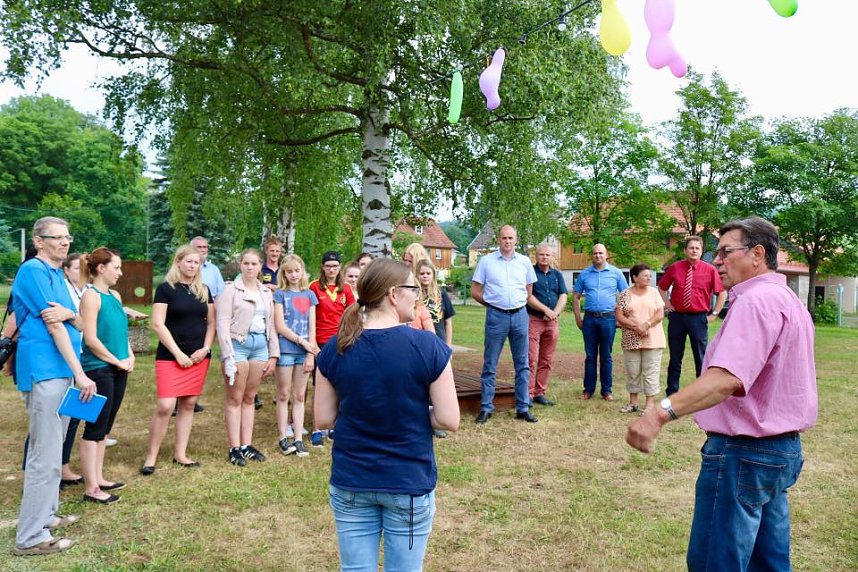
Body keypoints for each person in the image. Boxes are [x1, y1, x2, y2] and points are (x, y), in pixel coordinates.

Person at [626, 216, 817, 571]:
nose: (716, 260)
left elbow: (726, 379)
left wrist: (658, 413)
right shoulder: (788, 300)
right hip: (780, 453)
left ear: (757, 254)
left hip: (743, 455)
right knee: (770, 564)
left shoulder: (755, 301)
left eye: (726, 251)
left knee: (716, 562)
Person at [314, 258, 459, 571]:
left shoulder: (336, 347)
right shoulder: (427, 346)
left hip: (353, 479)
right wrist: (416, 412)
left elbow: (323, 420)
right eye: (414, 289)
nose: (417, 296)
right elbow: (448, 419)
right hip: (407, 482)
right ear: (394, 294)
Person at [11, 216, 96, 556]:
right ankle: (30, 538)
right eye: (56, 237)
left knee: (55, 449)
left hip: (62, 370)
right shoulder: (33, 271)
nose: (65, 243)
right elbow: (56, 326)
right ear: (38, 241)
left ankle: (46, 516)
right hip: (47, 371)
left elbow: (75, 320)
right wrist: (81, 374)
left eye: (67, 237)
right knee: (44, 456)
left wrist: (69, 315)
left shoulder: (58, 274)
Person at [141, 245, 215, 475]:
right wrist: (178, 354)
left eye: (197, 263)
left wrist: (205, 348)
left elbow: (211, 323)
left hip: (198, 357)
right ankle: (151, 457)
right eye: (189, 261)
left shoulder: (204, 290)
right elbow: (157, 324)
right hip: (171, 356)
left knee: (189, 404)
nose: (193, 266)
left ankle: (180, 454)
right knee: (165, 406)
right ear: (179, 262)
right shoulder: (166, 289)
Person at [78, 247, 133, 504]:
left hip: (118, 368)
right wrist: (116, 361)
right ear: (101, 268)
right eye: (116, 268)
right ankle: (91, 488)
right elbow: (90, 339)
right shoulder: (91, 297)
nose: (120, 273)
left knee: (105, 428)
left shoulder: (115, 296)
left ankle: (99, 477)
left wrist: (129, 356)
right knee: (95, 427)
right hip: (98, 369)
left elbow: (122, 333)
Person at [216, 249, 279, 466]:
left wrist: (274, 354)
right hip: (238, 346)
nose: (250, 267)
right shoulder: (230, 290)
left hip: (260, 347)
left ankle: (246, 445)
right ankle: (234, 448)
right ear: (240, 265)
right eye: (246, 263)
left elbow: (271, 324)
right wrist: (228, 355)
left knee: (250, 397)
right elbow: (222, 323)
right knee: (235, 397)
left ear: (260, 266)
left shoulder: (265, 292)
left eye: (254, 264)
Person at [470, 225, 538, 424]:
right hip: (496, 317)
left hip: (519, 316)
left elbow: (529, 291)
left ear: (515, 240)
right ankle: (486, 407)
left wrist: (516, 304)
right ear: (498, 240)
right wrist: (492, 304)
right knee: (490, 363)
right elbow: (475, 290)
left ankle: (523, 407)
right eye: (504, 238)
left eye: (511, 238)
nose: (507, 241)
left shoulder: (525, 262)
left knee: (522, 364)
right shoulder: (486, 261)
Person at [658, 236, 727, 396]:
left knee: (700, 357)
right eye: (691, 248)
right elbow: (661, 287)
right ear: (685, 250)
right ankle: (672, 392)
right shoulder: (675, 268)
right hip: (677, 318)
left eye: (697, 248)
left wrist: (714, 314)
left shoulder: (710, 270)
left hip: (698, 318)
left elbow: (722, 293)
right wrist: (667, 304)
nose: (694, 251)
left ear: (701, 251)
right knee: (675, 357)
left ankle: (701, 393)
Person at [273, 254, 319, 458]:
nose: (293, 274)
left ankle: (298, 437)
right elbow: (280, 326)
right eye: (289, 271)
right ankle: (283, 436)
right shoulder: (280, 295)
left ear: (302, 272)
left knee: (299, 395)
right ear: (284, 273)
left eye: (296, 270)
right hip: (286, 350)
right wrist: (302, 342)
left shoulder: (309, 295)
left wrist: (310, 352)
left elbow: (312, 326)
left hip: (304, 353)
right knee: (283, 394)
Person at [308, 250, 355, 447]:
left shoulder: (346, 289)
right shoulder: (313, 287)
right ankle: (317, 428)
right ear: (322, 267)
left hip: (340, 342)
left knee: (340, 385)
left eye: (335, 267)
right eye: (328, 266)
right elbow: (309, 316)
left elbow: (352, 314)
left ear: (339, 268)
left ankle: (336, 426)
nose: (331, 270)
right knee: (320, 385)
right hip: (319, 343)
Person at [572, 243, 627, 401]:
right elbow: (576, 296)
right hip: (589, 319)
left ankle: (606, 391)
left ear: (606, 254)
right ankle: (588, 390)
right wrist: (578, 318)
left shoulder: (616, 273)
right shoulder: (584, 274)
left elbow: (625, 295)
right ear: (592, 255)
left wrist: (619, 317)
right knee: (590, 356)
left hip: (608, 319)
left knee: (606, 356)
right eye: (595, 253)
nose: (598, 256)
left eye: (601, 253)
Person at [614, 263, 665, 414]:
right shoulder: (624, 294)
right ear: (635, 277)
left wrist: (647, 325)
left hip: (653, 338)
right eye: (645, 275)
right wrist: (637, 327)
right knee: (633, 370)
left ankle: (649, 405)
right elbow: (619, 316)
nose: (648, 278)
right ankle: (633, 403)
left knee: (651, 371)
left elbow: (660, 314)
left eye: (649, 276)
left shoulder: (654, 293)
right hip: (631, 338)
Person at [525, 244, 567, 407]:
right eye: (541, 254)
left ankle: (539, 393)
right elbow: (528, 297)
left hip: (552, 322)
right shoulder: (530, 273)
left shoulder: (557, 275)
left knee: (546, 359)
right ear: (536, 256)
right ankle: (527, 394)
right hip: (534, 320)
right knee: (531, 359)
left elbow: (563, 295)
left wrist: (555, 312)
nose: (544, 257)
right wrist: (546, 310)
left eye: (547, 255)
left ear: (552, 257)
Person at [416, 260, 455, 348]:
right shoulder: (414, 294)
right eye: (422, 273)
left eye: (428, 273)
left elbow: (448, 322)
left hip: (439, 343)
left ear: (433, 274)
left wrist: (448, 346)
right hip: (420, 343)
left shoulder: (441, 294)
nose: (425, 276)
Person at [191, 236, 225, 300]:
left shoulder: (214, 269)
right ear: (191, 249)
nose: (203, 250)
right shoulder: (186, 268)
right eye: (199, 247)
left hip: (211, 307)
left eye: (205, 247)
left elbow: (221, 293)